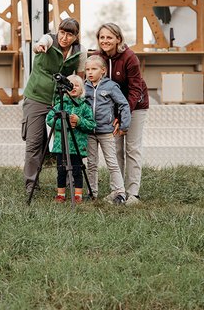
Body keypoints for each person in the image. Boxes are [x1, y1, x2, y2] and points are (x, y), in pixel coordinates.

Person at [22, 18, 87, 196]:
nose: (65, 37)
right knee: (34, 143)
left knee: (66, 142)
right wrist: (39, 47)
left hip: (60, 100)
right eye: (62, 32)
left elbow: (80, 78)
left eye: (70, 34)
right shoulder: (49, 40)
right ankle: (31, 185)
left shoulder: (80, 52)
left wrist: (77, 98)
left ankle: (69, 183)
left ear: (76, 36)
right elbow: (41, 43)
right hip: (37, 97)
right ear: (58, 31)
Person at [95, 22, 149, 205]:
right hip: (110, 109)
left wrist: (124, 115)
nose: (105, 41)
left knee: (132, 148)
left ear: (118, 39)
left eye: (109, 37)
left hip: (135, 105)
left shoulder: (129, 57)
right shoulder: (97, 57)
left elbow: (135, 90)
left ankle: (133, 193)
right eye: (102, 37)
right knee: (115, 149)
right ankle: (118, 191)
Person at [84, 55, 131, 205]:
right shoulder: (84, 87)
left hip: (106, 131)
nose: (90, 72)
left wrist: (124, 125)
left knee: (112, 162)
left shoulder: (110, 86)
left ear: (103, 70)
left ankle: (120, 192)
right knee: (91, 163)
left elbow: (123, 104)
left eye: (94, 69)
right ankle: (92, 192)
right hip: (89, 131)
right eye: (87, 69)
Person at [45, 75, 95, 203]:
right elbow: (49, 119)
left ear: (82, 89)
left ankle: (78, 195)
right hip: (61, 145)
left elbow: (91, 124)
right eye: (70, 85)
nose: (73, 87)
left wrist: (79, 122)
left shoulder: (84, 106)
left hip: (77, 146)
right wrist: (65, 124)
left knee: (77, 171)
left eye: (77, 85)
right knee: (61, 171)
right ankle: (60, 194)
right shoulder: (59, 105)